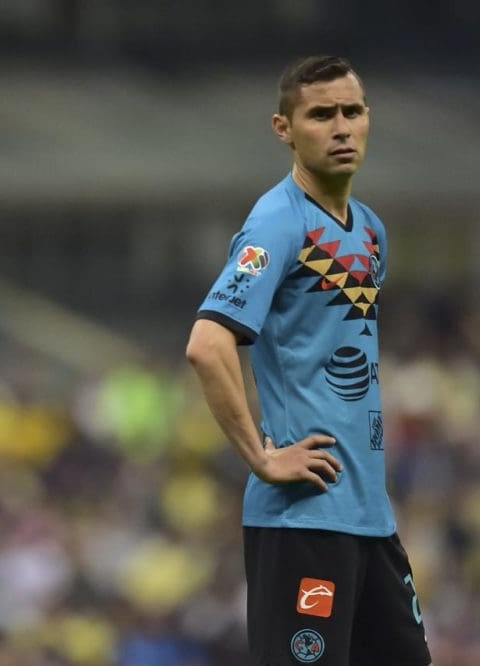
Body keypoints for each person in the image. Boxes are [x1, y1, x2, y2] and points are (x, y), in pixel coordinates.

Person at [185, 56, 430, 665]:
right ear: (285, 129)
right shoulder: (278, 222)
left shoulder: (369, 231)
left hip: (369, 518)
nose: (341, 128)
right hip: (304, 522)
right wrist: (261, 457)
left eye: (352, 111)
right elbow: (208, 343)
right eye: (321, 115)